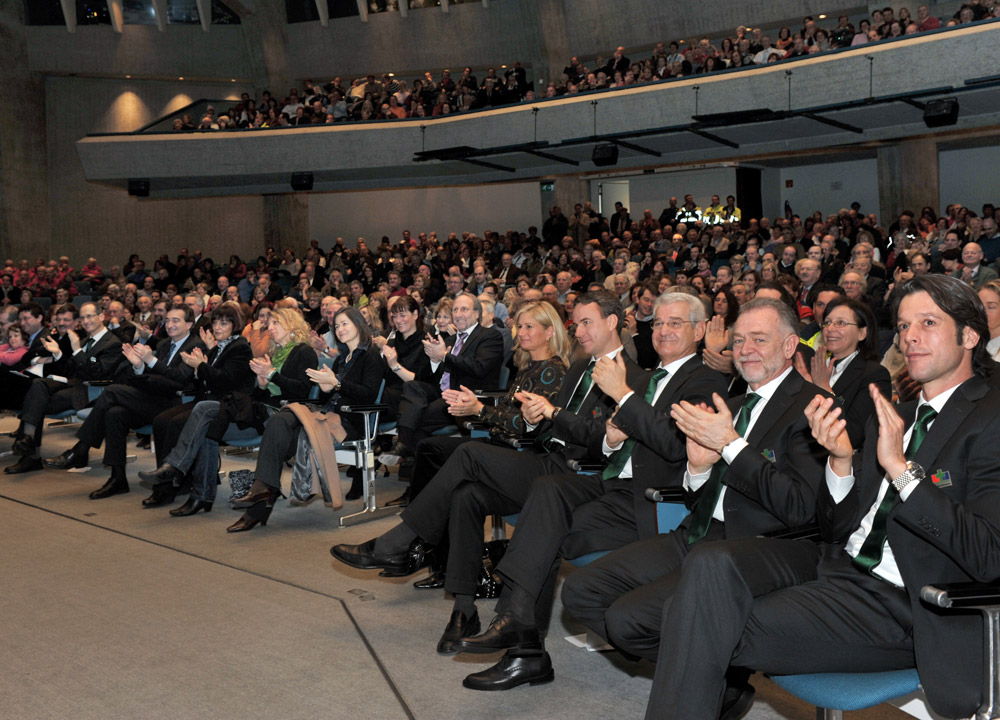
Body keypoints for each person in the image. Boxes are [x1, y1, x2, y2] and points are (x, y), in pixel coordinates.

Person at [644, 274, 1000, 720]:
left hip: (904, 603)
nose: (909, 337)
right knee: (710, 569)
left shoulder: (990, 418)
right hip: (835, 569)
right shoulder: (897, 416)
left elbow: (989, 555)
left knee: (697, 617)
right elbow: (836, 527)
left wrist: (902, 472)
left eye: (928, 323)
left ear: (969, 335)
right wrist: (841, 465)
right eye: (905, 325)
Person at [331, 291, 646, 654]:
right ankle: (464, 610)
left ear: (611, 323)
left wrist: (548, 416)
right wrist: (534, 418)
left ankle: (400, 542)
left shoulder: (632, 379)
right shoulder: (577, 369)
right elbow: (545, 428)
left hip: (575, 476)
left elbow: (600, 442)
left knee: (467, 454)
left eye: (586, 322)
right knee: (466, 494)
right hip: (544, 458)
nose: (578, 331)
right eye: (577, 323)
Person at [561, 298, 832, 711]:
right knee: (582, 592)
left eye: (760, 339)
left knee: (628, 619)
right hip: (697, 532)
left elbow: (799, 508)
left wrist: (731, 445)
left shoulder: (814, 406)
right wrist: (699, 470)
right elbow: (702, 493)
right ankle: (718, 672)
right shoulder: (736, 405)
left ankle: (712, 668)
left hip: (756, 544)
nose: (745, 349)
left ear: (791, 344)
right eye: (739, 340)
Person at [455, 292, 728, 691]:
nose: (664, 330)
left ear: (701, 330)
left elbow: (672, 445)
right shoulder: (652, 378)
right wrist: (614, 438)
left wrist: (623, 396)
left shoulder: (704, 380)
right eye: (659, 323)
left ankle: (523, 648)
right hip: (612, 488)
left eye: (676, 323)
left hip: (653, 505)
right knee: (546, 496)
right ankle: (517, 633)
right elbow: (618, 440)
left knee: (542, 524)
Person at [227, 306, 382, 531]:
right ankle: (261, 495)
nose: (339, 329)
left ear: (358, 324)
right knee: (280, 425)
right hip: (326, 416)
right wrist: (326, 385)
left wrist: (336, 383)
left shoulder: (371, 356)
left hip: (349, 423)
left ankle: (258, 505)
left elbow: (368, 393)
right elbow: (325, 395)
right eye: (336, 326)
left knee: (284, 421)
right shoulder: (342, 360)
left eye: (345, 324)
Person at [43, 306, 205, 499]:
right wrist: (139, 366)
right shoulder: (164, 345)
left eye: (175, 321)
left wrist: (150, 361)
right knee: (114, 413)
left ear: (189, 324)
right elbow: (150, 377)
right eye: (167, 320)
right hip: (150, 399)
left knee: (111, 392)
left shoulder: (196, 345)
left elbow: (180, 380)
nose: (169, 325)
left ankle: (81, 448)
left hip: (175, 403)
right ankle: (117, 478)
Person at [136, 303, 255, 512]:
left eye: (224, 323)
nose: (217, 327)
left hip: (226, 405)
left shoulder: (240, 347)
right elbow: (206, 382)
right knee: (162, 421)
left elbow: (226, 381)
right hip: (207, 400)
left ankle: (171, 475)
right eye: (216, 322)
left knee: (177, 423)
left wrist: (200, 366)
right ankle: (169, 476)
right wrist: (199, 367)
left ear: (235, 325)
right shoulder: (219, 346)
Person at [379, 292, 504, 463]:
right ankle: (407, 450)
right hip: (440, 394)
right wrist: (434, 360)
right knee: (413, 386)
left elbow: (478, 368)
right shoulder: (450, 339)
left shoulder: (489, 336)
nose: (458, 314)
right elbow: (433, 377)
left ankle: (406, 450)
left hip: (464, 397)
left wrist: (444, 356)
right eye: (455, 310)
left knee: (416, 418)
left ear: (476, 313)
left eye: (464, 309)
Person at [5, 302, 123, 474]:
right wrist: (58, 353)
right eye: (83, 317)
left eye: (89, 316)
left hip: (91, 392)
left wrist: (76, 349)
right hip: (73, 386)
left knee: (35, 399)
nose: (85, 320)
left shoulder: (112, 343)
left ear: (102, 316)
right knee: (37, 386)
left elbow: (98, 374)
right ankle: (29, 442)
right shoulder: (84, 341)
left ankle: (31, 454)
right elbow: (69, 369)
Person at [793, 296, 891, 447]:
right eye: (827, 322)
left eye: (841, 323)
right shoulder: (814, 365)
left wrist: (822, 389)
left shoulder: (874, 375)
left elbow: (854, 436)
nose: (830, 329)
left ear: (862, 333)